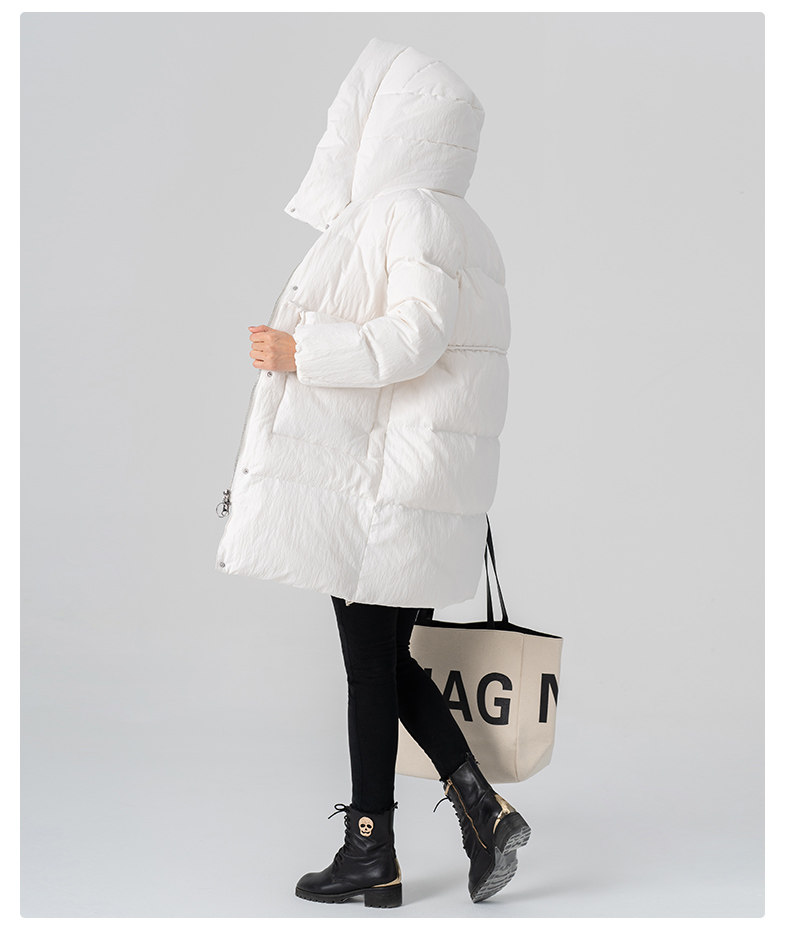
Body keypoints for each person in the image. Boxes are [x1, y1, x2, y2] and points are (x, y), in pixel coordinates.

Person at [215, 37, 528, 907]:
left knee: (371, 669)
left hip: (383, 484)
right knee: (389, 664)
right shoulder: (467, 225)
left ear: (394, 128)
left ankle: (377, 846)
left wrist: (300, 351)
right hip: (424, 482)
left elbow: (415, 337)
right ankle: (461, 820)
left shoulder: (407, 215)